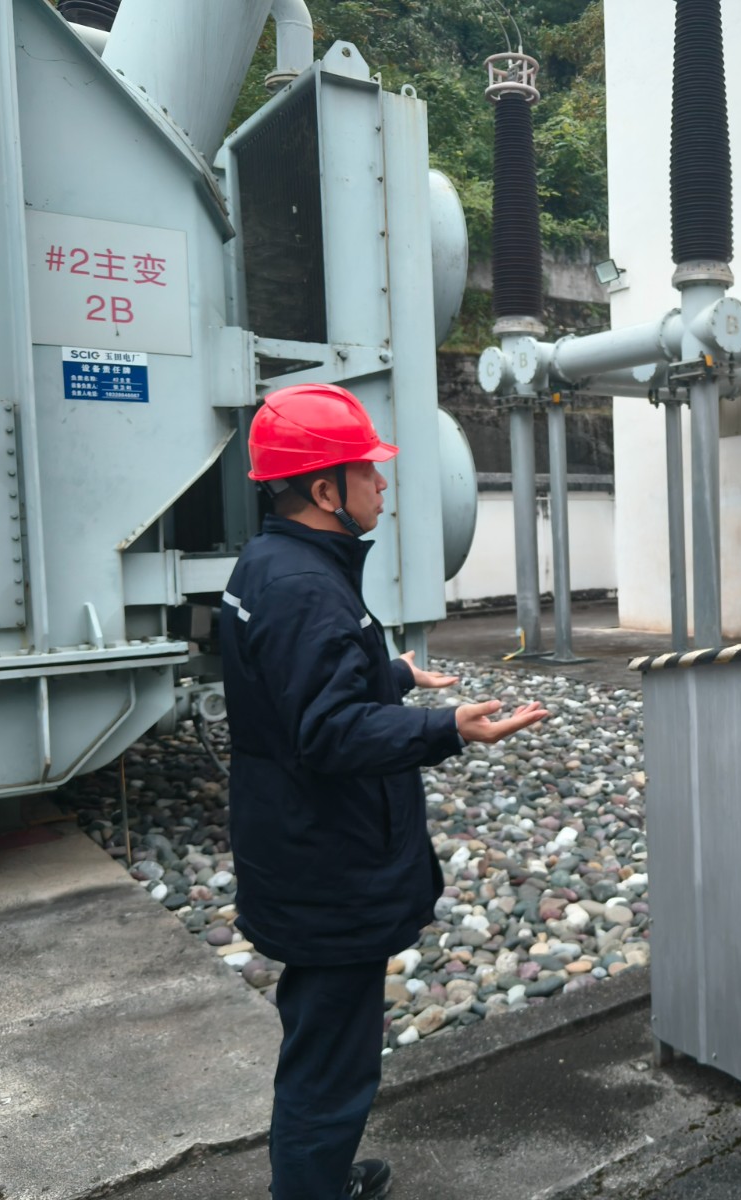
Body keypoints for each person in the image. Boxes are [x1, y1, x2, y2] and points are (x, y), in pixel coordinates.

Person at [220, 384, 549, 1199]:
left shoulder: (270, 564)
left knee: (320, 1038)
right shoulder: (306, 587)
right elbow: (328, 731)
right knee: (331, 1060)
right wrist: (448, 728)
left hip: (298, 846)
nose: (383, 481)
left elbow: (295, 689)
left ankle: (317, 1178)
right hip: (329, 864)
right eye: (367, 469)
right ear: (324, 490)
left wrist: (390, 674)